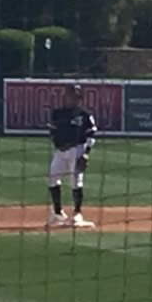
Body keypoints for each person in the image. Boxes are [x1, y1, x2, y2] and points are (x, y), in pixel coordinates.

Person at [45, 83, 99, 229]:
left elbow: (91, 135)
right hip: (61, 151)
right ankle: (58, 213)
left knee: (76, 181)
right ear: (65, 96)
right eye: (71, 96)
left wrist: (86, 154)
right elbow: (52, 131)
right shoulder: (58, 113)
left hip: (77, 150)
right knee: (52, 178)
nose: (73, 99)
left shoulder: (85, 114)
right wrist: (58, 143)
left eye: (76, 97)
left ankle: (77, 214)